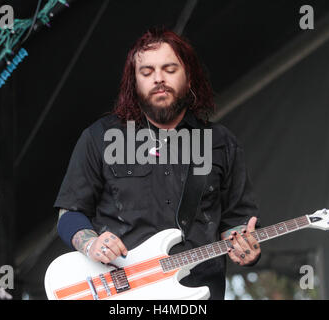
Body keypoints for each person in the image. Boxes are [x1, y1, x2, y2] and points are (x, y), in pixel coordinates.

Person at [54, 27, 260, 300]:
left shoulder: (220, 143)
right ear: (134, 82)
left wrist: (244, 246)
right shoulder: (100, 138)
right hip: (123, 294)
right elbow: (69, 214)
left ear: (189, 77)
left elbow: (236, 222)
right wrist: (91, 243)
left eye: (170, 69)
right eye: (147, 72)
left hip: (199, 293)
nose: (159, 79)